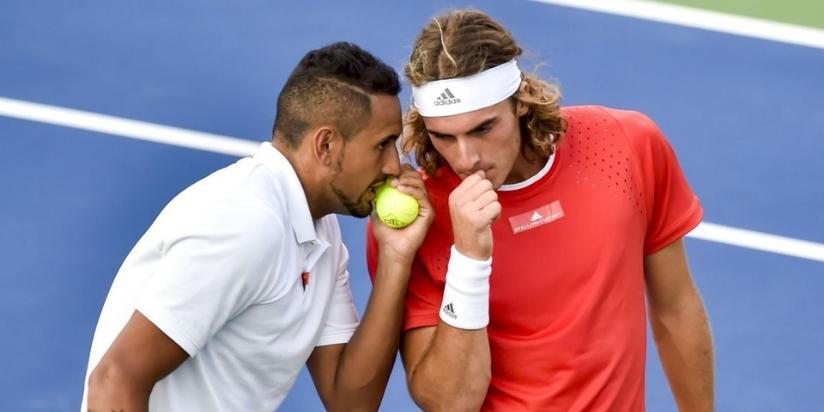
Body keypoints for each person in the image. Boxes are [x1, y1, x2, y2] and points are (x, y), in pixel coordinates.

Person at [366, 9, 715, 411]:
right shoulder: (417, 219)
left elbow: (676, 307)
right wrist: (469, 257)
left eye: (483, 128)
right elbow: (450, 403)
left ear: (521, 100)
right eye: (444, 136)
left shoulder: (626, 146)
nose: (466, 157)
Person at [83, 41, 433, 411]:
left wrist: (396, 258)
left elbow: (351, 400)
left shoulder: (320, 230)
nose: (395, 165)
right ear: (326, 145)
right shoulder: (245, 224)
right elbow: (115, 379)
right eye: (383, 145)